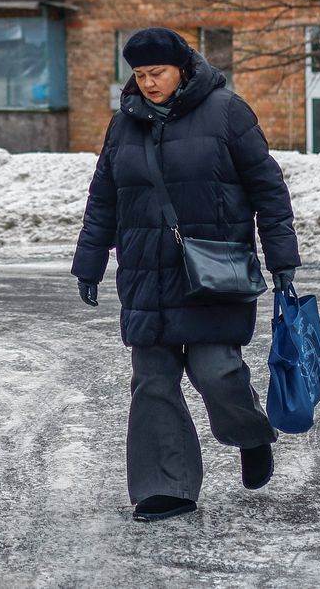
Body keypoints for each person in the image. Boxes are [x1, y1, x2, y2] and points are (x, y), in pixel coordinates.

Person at [71, 27, 301, 522]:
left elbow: (268, 188)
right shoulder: (123, 125)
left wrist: (282, 261)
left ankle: (250, 433)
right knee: (152, 380)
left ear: (182, 68)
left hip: (211, 271)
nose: (149, 83)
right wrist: (88, 264)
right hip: (145, 274)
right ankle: (166, 486)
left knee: (216, 371)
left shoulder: (226, 113)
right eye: (139, 74)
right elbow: (103, 200)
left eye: (157, 73)